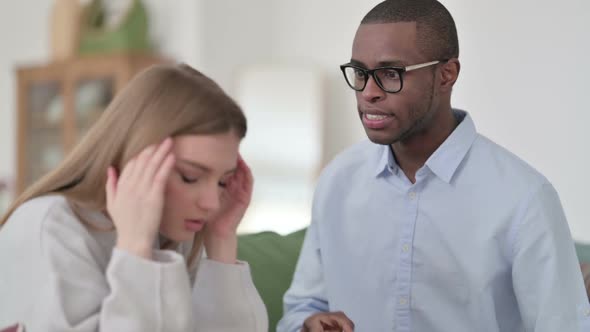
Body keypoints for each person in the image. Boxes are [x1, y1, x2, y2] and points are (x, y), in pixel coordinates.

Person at [277, 0, 590, 331]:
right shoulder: (337, 181)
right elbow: (301, 308)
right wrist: (308, 324)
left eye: (389, 74)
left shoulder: (524, 199)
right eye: (360, 73)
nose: (368, 93)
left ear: (446, 75)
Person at [0, 64, 268, 331]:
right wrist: (135, 250)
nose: (211, 202)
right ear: (135, 156)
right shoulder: (51, 224)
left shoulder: (173, 232)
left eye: (222, 181)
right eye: (189, 176)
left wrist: (221, 238)